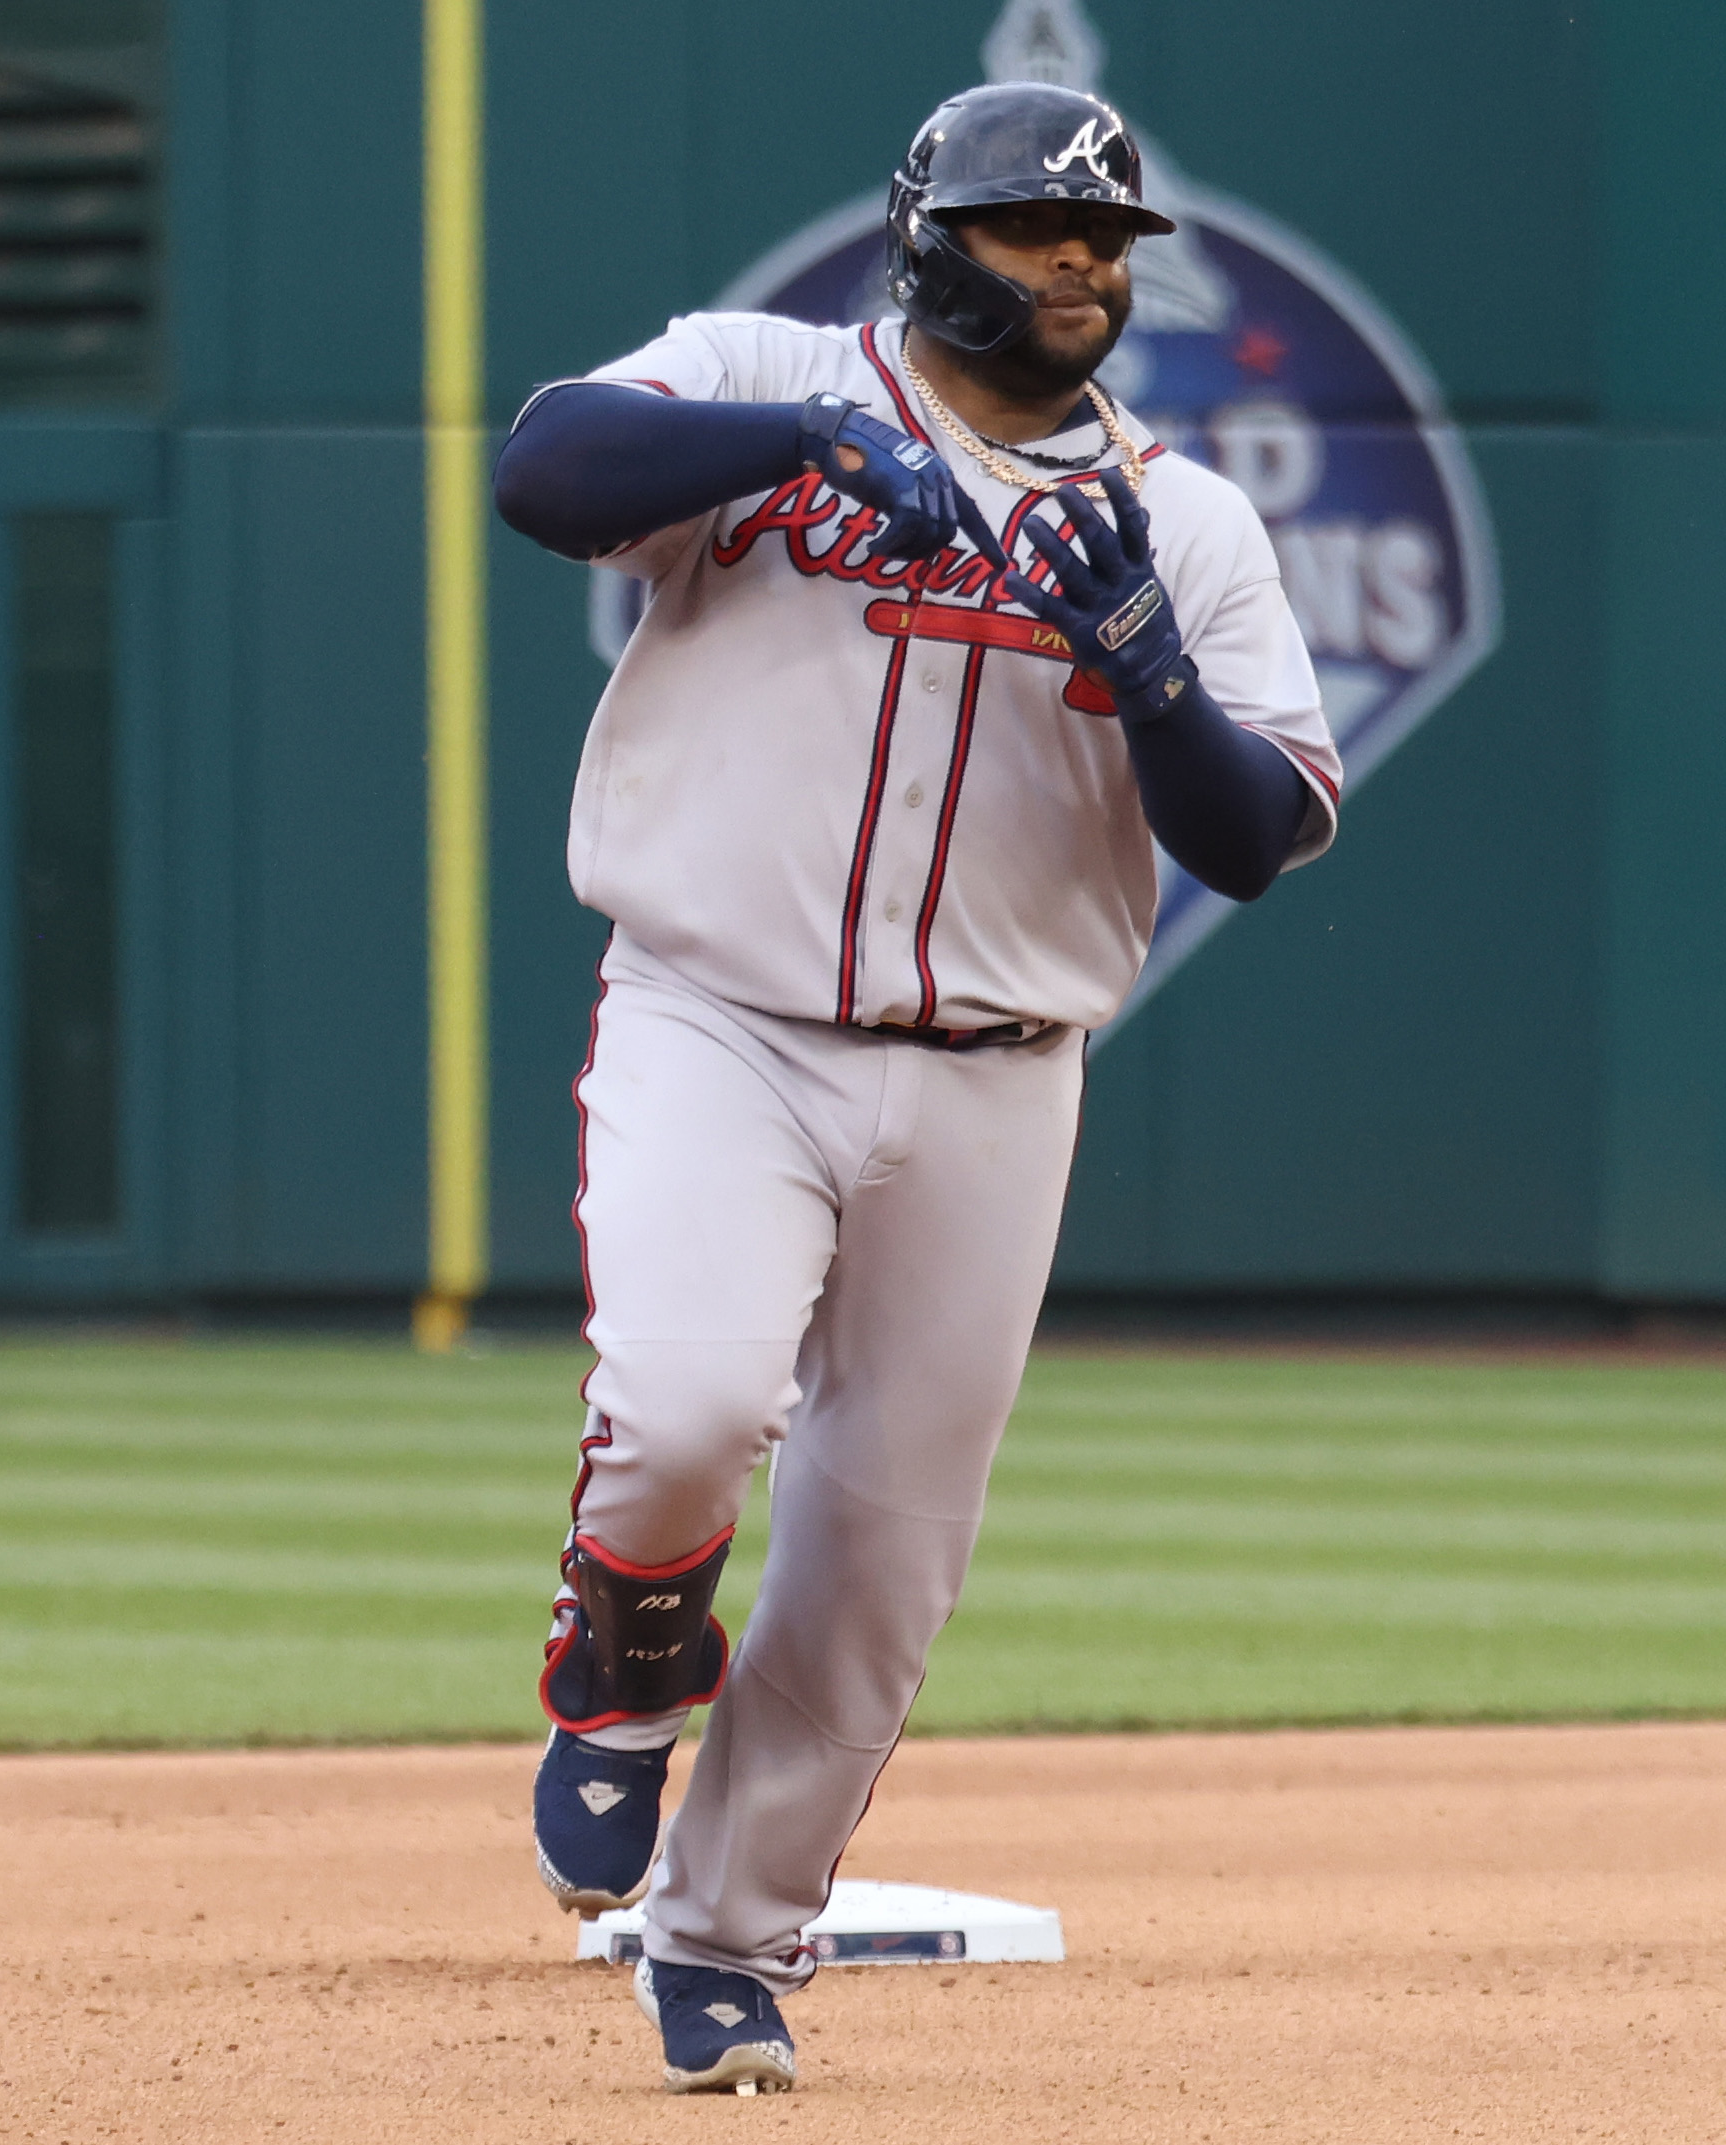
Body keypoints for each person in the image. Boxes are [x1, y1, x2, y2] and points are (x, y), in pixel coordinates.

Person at [488, 79, 1340, 2094]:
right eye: (1033, 226)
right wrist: (803, 440)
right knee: (691, 1401)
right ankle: (622, 1659)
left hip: (993, 1082)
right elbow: (545, 465)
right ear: (922, 234)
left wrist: (1146, 669)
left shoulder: (1181, 522)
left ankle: (724, 1939)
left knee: (881, 1562)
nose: (1076, 263)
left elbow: (1264, 827)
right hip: (722, 1015)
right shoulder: (759, 379)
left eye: (1105, 239)